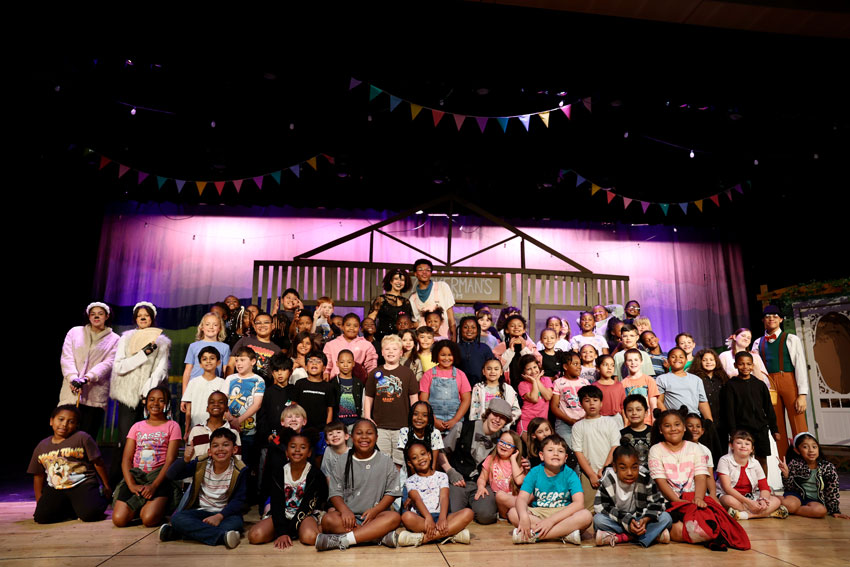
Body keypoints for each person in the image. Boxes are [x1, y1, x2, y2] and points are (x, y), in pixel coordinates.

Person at [648, 407, 749, 549]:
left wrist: (699, 498)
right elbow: (661, 482)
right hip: (669, 501)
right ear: (660, 430)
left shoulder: (695, 448)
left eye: (677, 424)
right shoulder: (656, 450)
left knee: (714, 518)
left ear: (684, 428)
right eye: (667, 426)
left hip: (693, 498)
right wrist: (678, 501)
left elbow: (701, 477)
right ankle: (688, 532)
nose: (673, 429)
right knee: (679, 526)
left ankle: (697, 532)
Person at [109, 301, 171, 486]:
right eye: (139, 316)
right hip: (128, 396)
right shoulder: (126, 338)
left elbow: (160, 370)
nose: (143, 318)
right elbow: (119, 367)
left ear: (152, 318)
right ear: (135, 318)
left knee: (148, 442)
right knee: (125, 441)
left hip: (149, 398)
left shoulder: (161, 341)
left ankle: (145, 481)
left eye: (146, 315)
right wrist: (143, 354)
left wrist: (147, 394)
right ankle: (117, 484)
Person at [317, 419, 402, 551]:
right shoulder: (341, 461)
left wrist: (376, 510)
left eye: (369, 433)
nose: (364, 437)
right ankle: (377, 537)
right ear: (351, 437)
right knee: (328, 520)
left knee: (394, 517)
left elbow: (392, 492)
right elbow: (334, 493)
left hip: (375, 517)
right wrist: (345, 511)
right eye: (359, 433)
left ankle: (344, 540)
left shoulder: (385, 461)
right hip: (348, 519)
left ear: (376, 437)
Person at [160, 428, 246, 549]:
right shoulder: (201, 463)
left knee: (234, 524)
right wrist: (184, 460)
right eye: (215, 446)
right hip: (201, 512)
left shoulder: (240, 470)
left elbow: (238, 501)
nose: (220, 449)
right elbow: (171, 475)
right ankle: (222, 537)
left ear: (234, 449)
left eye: (226, 445)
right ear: (209, 451)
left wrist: (219, 516)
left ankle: (178, 533)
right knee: (177, 518)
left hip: (226, 514)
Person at [112, 387, 182, 527]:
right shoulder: (137, 426)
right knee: (119, 520)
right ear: (146, 402)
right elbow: (126, 459)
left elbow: (170, 460)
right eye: (152, 400)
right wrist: (131, 485)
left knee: (149, 520)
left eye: (161, 400)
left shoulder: (173, 426)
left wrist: (154, 486)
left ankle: (154, 508)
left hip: (159, 478)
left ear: (167, 404)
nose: (155, 403)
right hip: (137, 477)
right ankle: (141, 507)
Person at [28, 405, 110, 523]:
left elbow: (98, 462)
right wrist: (39, 502)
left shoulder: (82, 438)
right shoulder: (42, 446)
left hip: (82, 484)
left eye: (71, 422)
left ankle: (97, 500)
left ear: (76, 425)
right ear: (51, 421)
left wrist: (106, 485)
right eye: (61, 419)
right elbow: (38, 475)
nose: (64, 424)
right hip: (56, 487)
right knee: (41, 517)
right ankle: (71, 508)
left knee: (90, 515)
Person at [248, 428, 328, 548]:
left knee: (310, 537)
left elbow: (309, 505)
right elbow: (276, 503)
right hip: (282, 514)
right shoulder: (279, 472)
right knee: (255, 536)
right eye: (293, 446)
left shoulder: (315, 474)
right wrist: (282, 532)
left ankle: (314, 529)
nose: (297, 450)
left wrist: (289, 531)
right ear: (286, 452)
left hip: (305, 514)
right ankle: (283, 531)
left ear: (309, 453)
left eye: (303, 447)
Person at [508, 435, 592, 545]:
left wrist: (550, 521)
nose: (556, 453)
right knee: (513, 513)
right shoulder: (534, 472)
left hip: (563, 514)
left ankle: (534, 536)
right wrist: (524, 516)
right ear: (541, 455)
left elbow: (579, 503)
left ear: (565, 458)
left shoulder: (570, 474)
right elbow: (522, 498)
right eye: (550, 450)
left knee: (586, 516)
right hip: (539, 513)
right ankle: (564, 534)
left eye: (560, 451)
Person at [442, 398, 514, 525]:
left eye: (502, 418)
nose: (497, 420)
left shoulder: (503, 438)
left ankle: (474, 506)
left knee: (487, 516)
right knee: (453, 514)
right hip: (459, 481)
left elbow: (515, 451)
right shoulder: (462, 427)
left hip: (483, 484)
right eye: (495, 414)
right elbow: (440, 451)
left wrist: (524, 463)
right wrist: (450, 471)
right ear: (488, 413)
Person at [752, 305, 809, 460]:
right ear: (763, 320)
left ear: (781, 320)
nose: (771, 319)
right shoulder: (758, 342)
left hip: (789, 381)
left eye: (775, 316)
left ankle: (805, 461)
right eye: (767, 316)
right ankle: (782, 463)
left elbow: (800, 366)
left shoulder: (791, 339)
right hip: (769, 384)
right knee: (775, 424)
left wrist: (802, 394)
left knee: (798, 421)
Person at [593, 439, 672, 547]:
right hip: (619, 520)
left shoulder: (645, 477)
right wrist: (628, 521)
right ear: (615, 467)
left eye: (634, 467)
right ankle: (651, 536)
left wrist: (646, 519)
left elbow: (657, 502)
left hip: (640, 520)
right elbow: (601, 507)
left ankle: (622, 537)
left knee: (666, 518)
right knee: (598, 520)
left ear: (639, 465)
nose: (629, 473)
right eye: (623, 468)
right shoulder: (608, 480)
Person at [59, 302, 120, 439]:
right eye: (93, 314)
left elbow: (108, 363)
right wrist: (73, 378)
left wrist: (87, 378)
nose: (96, 316)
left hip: (95, 393)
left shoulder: (115, 339)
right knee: (66, 432)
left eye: (100, 314)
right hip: (71, 390)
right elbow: (67, 357)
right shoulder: (75, 332)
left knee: (87, 434)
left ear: (107, 316)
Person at [397, 441, 473, 546]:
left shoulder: (442, 476)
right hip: (423, 518)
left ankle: (424, 538)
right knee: (406, 517)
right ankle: (450, 534)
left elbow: (444, 497)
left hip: (442, 515)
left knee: (468, 513)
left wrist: (442, 518)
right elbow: (417, 499)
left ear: (429, 455)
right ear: (410, 463)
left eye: (423, 454)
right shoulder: (410, 481)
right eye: (414, 458)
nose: (420, 459)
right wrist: (428, 518)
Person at [364, 335, 419, 468]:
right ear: (382, 352)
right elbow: (369, 397)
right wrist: (367, 416)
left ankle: (397, 482)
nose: (390, 352)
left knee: (400, 462)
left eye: (394, 349)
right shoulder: (375, 373)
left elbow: (414, 398)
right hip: (380, 426)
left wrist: (414, 419)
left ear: (401, 353)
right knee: (382, 461)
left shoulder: (408, 373)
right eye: (387, 349)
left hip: (402, 426)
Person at [723, 351, 779, 473]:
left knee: (761, 459)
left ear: (753, 365)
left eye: (748, 364)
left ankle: (762, 484)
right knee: (742, 459)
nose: (745, 367)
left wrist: (774, 429)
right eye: (741, 364)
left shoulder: (760, 385)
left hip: (761, 428)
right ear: (735, 365)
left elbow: (768, 408)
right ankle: (745, 484)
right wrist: (733, 432)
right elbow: (729, 410)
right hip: (741, 429)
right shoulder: (730, 385)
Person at [572, 385, 621, 511]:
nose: (591, 404)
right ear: (581, 404)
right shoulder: (578, 426)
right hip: (588, 474)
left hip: (610, 471)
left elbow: (615, 446)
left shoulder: (610, 422)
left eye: (595, 400)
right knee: (589, 509)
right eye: (587, 401)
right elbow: (578, 452)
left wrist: (604, 468)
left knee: (614, 505)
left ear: (601, 403)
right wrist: (591, 474)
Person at [717, 430, 786, 520]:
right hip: (731, 496)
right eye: (739, 443)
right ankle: (767, 513)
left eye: (747, 444)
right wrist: (749, 503)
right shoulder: (724, 460)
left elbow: (764, 487)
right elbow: (727, 488)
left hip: (750, 496)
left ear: (752, 448)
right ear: (731, 445)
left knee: (776, 500)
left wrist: (763, 500)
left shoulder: (755, 463)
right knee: (728, 500)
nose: (743, 446)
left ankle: (746, 515)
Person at [778, 432, 849, 519]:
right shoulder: (795, 464)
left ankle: (790, 510)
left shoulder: (827, 467)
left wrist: (835, 510)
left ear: (818, 448)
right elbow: (789, 487)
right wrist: (786, 475)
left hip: (814, 500)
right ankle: (784, 504)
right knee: (790, 504)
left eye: (814, 447)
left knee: (820, 511)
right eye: (805, 447)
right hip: (796, 496)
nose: (811, 450)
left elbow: (832, 490)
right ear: (797, 450)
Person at [419, 340, 472, 446]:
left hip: (455, 420)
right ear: (436, 355)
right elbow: (423, 399)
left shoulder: (460, 375)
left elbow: (466, 399)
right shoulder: (428, 374)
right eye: (443, 355)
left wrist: (455, 420)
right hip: (433, 420)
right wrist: (433, 420)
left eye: (450, 355)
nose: (446, 358)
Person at [475, 431, 526, 519]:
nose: (504, 445)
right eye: (502, 442)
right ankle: (512, 514)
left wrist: (513, 459)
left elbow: (519, 481)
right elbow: (482, 478)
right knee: (500, 495)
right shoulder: (490, 459)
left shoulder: (519, 462)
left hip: (513, 498)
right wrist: (481, 487)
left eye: (509, 444)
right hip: (498, 499)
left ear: (515, 449)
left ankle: (520, 512)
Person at [181, 312, 231, 403]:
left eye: (215, 325)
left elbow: (225, 372)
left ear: (220, 328)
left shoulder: (225, 347)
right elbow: (187, 371)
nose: (211, 327)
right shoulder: (193, 346)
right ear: (202, 327)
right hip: (195, 387)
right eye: (207, 324)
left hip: (215, 388)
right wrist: (184, 395)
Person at [655, 348, 712, 419]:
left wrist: (709, 420)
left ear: (686, 360)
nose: (677, 359)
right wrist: (668, 417)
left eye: (681, 357)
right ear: (668, 360)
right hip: (674, 420)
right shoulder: (662, 379)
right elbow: (659, 401)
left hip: (694, 419)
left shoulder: (697, 380)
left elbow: (702, 402)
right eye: (673, 357)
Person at [182, 346, 227, 432]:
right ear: (200, 364)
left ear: (218, 362)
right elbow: (188, 410)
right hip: (196, 428)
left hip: (217, 429)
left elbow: (225, 407)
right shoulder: (193, 382)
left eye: (212, 358)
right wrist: (187, 429)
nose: (208, 361)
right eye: (204, 359)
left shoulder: (223, 383)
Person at [409, 258, 456, 341]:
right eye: (420, 270)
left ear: (431, 273)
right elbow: (417, 321)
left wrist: (454, 338)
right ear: (415, 273)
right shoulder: (413, 298)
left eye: (427, 270)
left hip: (444, 336)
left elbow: (450, 316)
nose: (424, 272)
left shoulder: (442, 287)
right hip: (424, 340)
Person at [323, 313, 378, 382]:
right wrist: (326, 372)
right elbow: (327, 364)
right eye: (348, 325)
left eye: (355, 326)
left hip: (357, 383)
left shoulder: (367, 345)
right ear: (342, 327)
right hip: (335, 382)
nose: (352, 328)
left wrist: (371, 379)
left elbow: (371, 365)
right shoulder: (331, 344)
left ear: (359, 328)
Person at [550, 350, 590, 446]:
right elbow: (554, 407)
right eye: (575, 364)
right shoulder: (558, 383)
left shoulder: (585, 382)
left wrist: (585, 417)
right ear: (565, 367)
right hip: (564, 424)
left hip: (584, 421)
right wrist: (569, 420)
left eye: (579, 364)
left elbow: (590, 403)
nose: (579, 367)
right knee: (567, 448)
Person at [227, 312, 281, 381]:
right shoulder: (244, 341)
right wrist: (228, 382)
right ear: (254, 327)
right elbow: (231, 364)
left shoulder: (276, 349)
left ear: (273, 326)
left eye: (266, 322)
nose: (262, 325)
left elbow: (276, 374)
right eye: (258, 323)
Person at [187, 391, 242, 459]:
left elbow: (237, 459)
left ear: (227, 409)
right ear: (207, 409)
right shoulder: (196, 430)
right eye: (212, 402)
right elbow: (189, 456)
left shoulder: (233, 431)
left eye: (221, 402)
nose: (216, 404)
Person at [293, 351, 337, 431]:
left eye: (318, 362)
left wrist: (328, 428)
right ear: (306, 366)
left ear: (324, 368)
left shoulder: (328, 387)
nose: (314, 364)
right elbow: (294, 403)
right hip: (301, 428)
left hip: (321, 429)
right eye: (311, 361)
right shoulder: (300, 383)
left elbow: (330, 409)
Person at [469, 359, 521, 425]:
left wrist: (506, 423)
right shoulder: (478, 388)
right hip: (482, 425)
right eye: (489, 369)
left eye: (496, 369)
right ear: (483, 371)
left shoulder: (508, 389)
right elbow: (474, 409)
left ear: (501, 372)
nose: (492, 371)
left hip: (502, 426)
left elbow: (516, 410)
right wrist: (475, 425)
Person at [367, 268, 414, 342]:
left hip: (401, 340)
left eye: (402, 280)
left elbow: (410, 322)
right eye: (396, 279)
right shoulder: (381, 299)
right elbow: (370, 320)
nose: (399, 282)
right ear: (390, 281)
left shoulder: (406, 302)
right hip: (383, 339)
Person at [492, 314, 541, 381]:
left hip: (528, 383)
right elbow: (497, 367)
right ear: (506, 330)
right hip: (508, 383)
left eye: (519, 326)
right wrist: (510, 350)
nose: (516, 327)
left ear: (524, 330)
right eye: (512, 326)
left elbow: (538, 364)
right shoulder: (501, 346)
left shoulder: (530, 345)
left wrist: (524, 349)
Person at [397, 401, 443, 470]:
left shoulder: (435, 433)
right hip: (409, 472)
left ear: (429, 418)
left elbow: (433, 463)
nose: (419, 418)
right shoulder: (404, 432)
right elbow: (408, 462)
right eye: (415, 414)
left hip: (428, 472)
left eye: (424, 415)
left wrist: (429, 476)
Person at [515, 354, 553, 437]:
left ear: (539, 366)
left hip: (542, 423)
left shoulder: (546, 380)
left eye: (535, 367)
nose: (533, 371)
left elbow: (548, 397)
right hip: (527, 421)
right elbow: (534, 399)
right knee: (530, 446)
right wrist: (534, 381)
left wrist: (538, 380)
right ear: (523, 372)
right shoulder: (522, 384)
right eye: (529, 369)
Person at [620, 349, 660, 425]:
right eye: (630, 360)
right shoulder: (623, 383)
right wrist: (626, 425)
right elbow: (623, 407)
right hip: (631, 424)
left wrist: (654, 425)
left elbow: (653, 405)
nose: (633, 363)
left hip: (647, 423)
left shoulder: (649, 380)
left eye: (636, 360)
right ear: (625, 363)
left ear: (641, 361)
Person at [691, 349, 728, 430]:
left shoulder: (722, 377)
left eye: (711, 359)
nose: (708, 362)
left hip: (722, 420)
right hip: (702, 420)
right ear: (700, 362)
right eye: (705, 360)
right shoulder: (695, 379)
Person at [456, 316, 496, 387]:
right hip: (459, 386)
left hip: (481, 387)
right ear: (460, 329)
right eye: (465, 327)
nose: (469, 330)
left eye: (473, 327)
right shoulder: (454, 348)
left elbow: (492, 366)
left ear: (478, 330)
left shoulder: (484, 348)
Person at [334, 350, 364, 429]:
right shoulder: (333, 383)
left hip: (355, 423)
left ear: (353, 364)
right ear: (337, 363)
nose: (345, 365)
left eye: (349, 362)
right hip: (338, 424)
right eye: (342, 362)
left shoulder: (358, 383)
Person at [620, 395, 651, 467]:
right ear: (625, 414)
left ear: (646, 412)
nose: (634, 413)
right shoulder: (621, 434)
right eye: (630, 410)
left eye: (638, 410)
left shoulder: (655, 432)